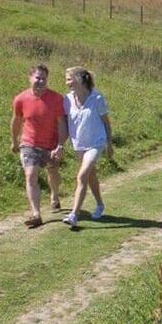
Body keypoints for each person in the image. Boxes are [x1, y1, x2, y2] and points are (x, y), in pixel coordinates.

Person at [10, 64, 67, 229]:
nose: (41, 81)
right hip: (29, 144)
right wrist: (14, 140)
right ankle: (36, 214)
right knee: (30, 175)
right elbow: (16, 121)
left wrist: (60, 145)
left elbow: (62, 124)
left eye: (44, 78)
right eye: (37, 78)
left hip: (51, 145)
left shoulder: (56, 99)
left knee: (53, 172)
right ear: (30, 78)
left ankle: (55, 196)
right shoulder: (20, 99)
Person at [62, 67, 113, 228]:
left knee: (82, 175)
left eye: (69, 79)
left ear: (79, 79)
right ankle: (99, 204)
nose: (67, 83)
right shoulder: (67, 100)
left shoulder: (97, 98)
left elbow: (106, 122)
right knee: (90, 176)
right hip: (78, 144)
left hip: (96, 143)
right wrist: (59, 144)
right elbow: (62, 124)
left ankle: (74, 214)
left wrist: (109, 144)